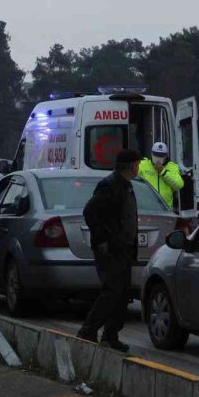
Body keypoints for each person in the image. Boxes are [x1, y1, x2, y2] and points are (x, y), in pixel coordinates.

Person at [78, 149, 140, 352]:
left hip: (124, 248)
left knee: (122, 293)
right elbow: (90, 212)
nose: (139, 167)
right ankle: (88, 329)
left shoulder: (126, 186)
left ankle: (111, 334)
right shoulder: (109, 185)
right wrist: (102, 239)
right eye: (137, 164)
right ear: (131, 166)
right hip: (111, 248)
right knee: (112, 290)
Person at [139, 141, 184, 212]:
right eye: (156, 155)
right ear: (151, 154)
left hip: (165, 209)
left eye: (161, 156)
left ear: (166, 156)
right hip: (146, 208)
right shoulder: (143, 165)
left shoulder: (172, 167)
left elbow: (179, 184)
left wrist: (163, 172)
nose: (158, 158)